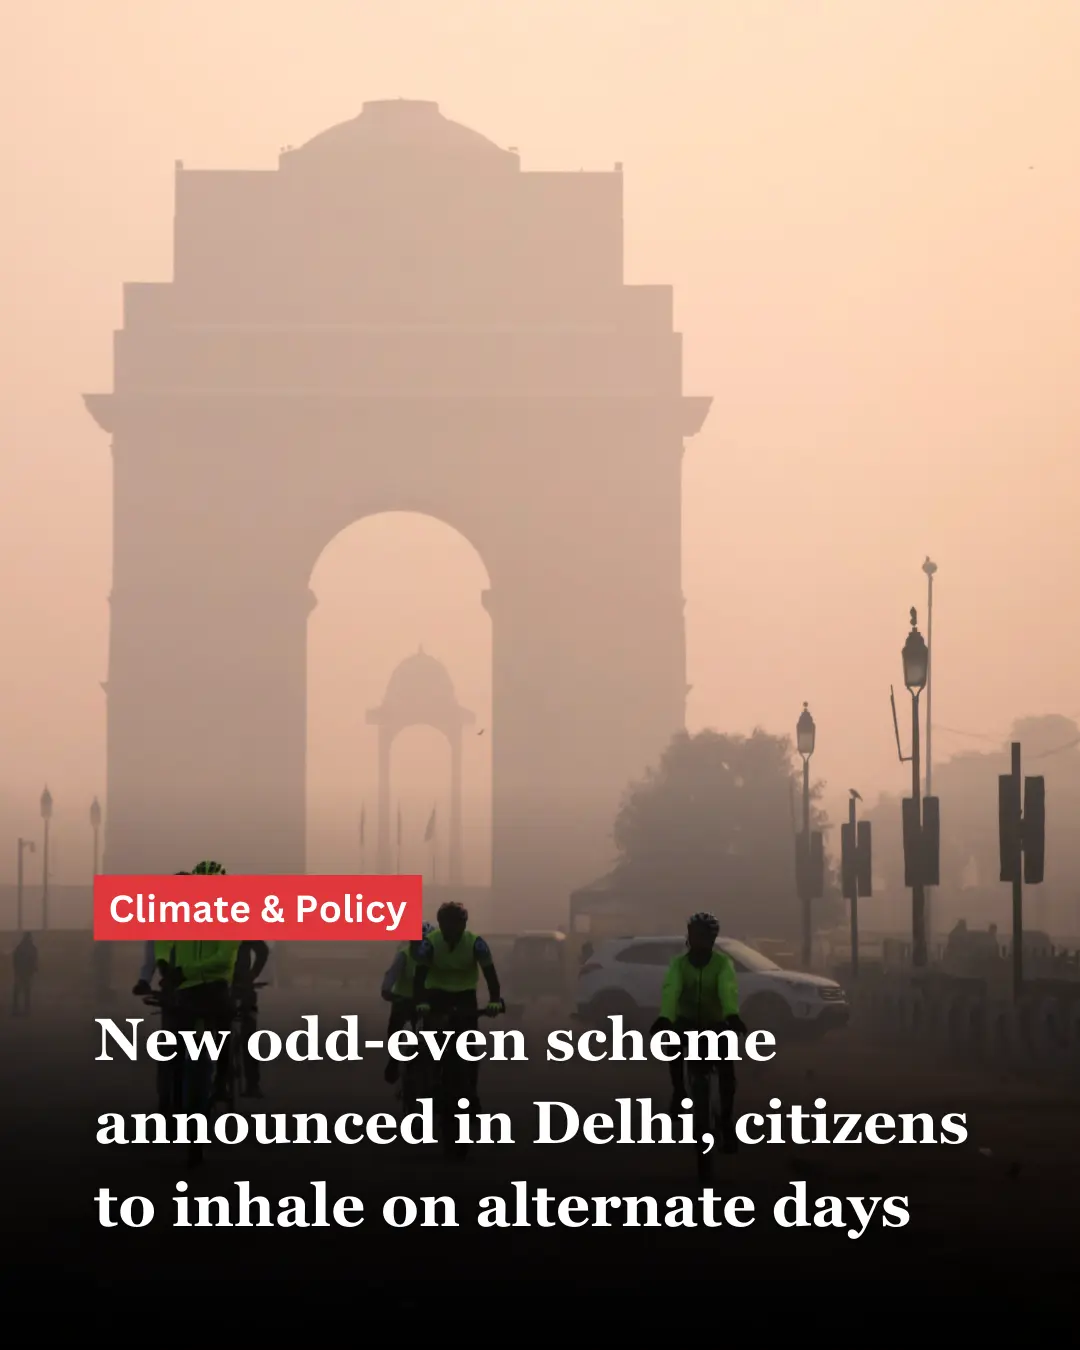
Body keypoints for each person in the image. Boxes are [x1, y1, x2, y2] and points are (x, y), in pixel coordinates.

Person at [154, 861, 241, 1166]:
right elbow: (164, 939)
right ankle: (177, 1095)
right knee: (174, 1050)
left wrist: (182, 970)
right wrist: (164, 962)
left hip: (214, 989)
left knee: (222, 1037)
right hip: (187, 991)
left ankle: (219, 1082)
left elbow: (222, 959)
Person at [653, 912, 745, 1154]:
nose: (698, 941)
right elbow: (671, 990)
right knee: (672, 1044)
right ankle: (679, 1091)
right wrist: (665, 1017)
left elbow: (727, 989)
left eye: (704, 936)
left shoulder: (723, 964)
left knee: (727, 1071)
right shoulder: (679, 965)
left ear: (712, 939)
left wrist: (731, 1015)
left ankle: (726, 1121)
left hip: (715, 1023)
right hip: (685, 1021)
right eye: (695, 935)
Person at [413, 902, 504, 1103]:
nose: (452, 931)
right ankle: (431, 1081)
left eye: (456, 926)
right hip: (436, 995)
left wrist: (494, 1001)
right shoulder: (430, 943)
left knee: (469, 1048)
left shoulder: (476, 944)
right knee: (433, 1043)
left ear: (463, 926)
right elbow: (419, 978)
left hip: (465, 996)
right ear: (441, 925)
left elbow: (491, 976)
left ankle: (471, 1091)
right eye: (447, 926)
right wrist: (421, 1002)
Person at [213, 938, 270, 1101]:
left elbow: (262, 951)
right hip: (241, 985)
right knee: (248, 1031)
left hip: (219, 985)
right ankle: (252, 1084)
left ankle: (220, 1083)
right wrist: (252, 975)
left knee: (220, 1034)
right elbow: (262, 951)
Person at [380, 921, 435, 1084]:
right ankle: (393, 1060)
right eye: (418, 942)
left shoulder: (437, 959)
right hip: (404, 1000)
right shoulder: (404, 955)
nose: (421, 947)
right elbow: (391, 975)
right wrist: (387, 991)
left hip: (429, 1002)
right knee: (396, 1027)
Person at [12, 933, 38, 1016]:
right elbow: (34, 960)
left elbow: (15, 959)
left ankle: (16, 1008)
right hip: (27, 972)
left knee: (18, 991)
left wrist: (16, 969)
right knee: (26, 991)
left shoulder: (20, 947)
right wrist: (34, 969)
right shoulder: (32, 948)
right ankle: (26, 1009)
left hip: (20, 971)